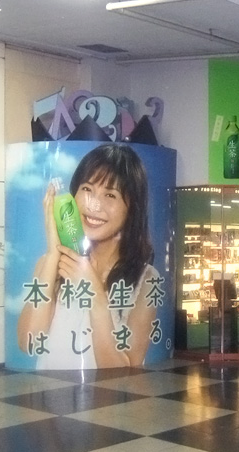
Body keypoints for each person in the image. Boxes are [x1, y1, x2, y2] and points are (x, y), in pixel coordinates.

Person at [17, 144, 160, 369]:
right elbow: (29, 343)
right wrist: (54, 254)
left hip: (102, 394)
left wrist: (96, 297)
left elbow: (124, 373)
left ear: (132, 208)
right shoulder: (49, 264)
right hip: (49, 391)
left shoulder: (146, 278)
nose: (94, 204)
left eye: (110, 195)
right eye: (87, 189)